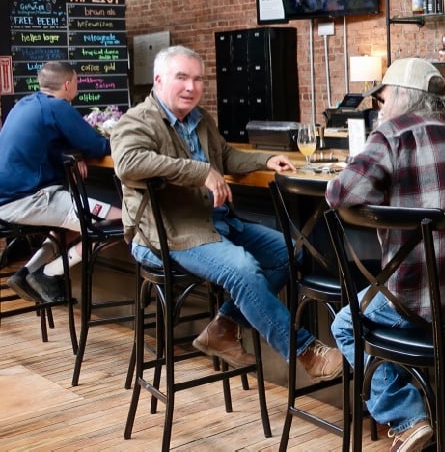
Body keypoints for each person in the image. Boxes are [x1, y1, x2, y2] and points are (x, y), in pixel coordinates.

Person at [110, 45, 343, 381]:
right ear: (158, 80)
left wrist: (263, 161)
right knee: (244, 270)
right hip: (169, 232)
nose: (191, 87)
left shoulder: (199, 119)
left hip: (215, 224)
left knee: (291, 253)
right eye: (182, 78)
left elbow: (227, 157)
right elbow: (128, 164)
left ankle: (223, 325)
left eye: (197, 79)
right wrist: (199, 171)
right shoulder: (136, 121)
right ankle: (304, 351)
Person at [326, 58, 445, 452]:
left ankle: (409, 417)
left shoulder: (391, 136)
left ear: (401, 97)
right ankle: (416, 412)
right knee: (381, 321)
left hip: (418, 307)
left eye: (382, 99)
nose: (379, 108)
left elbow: (340, 194)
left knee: (346, 325)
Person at [0, 61, 121, 304]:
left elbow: (46, 144)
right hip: (30, 200)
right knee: (125, 221)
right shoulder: (57, 107)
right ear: (68, 85)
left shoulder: (24, 104)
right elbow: (98, 146)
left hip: (10, 200)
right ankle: (49, 272)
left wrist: (72, 153)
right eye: (76, 81)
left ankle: (26, 273)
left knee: (70, 223)